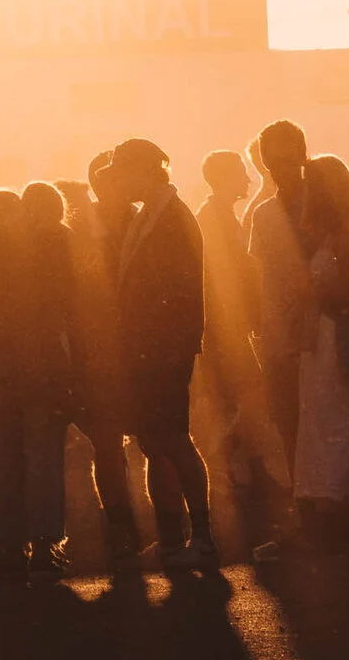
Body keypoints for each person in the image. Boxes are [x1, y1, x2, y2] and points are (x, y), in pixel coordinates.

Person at [112, 137, 216, 570]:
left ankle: (202, 536)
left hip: (162, 350)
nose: (117, 182)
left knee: (171, 439)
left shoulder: (170, 218)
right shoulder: (154, 214)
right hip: (149, 350)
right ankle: (172, 537)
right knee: (154, 442)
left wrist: (176, 348)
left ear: (142, 171)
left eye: (122, 173)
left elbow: (182, 291)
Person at [0, 186, 73, 580]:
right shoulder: (41, 254)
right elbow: (63, 308)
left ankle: (1, 548)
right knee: (42, 460)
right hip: (39, 372)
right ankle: (45, 547)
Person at [292, 155, 349, 549]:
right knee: (325, 418)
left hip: (337, 333)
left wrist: (311, 290)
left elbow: (348, 290)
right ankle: (330, 503)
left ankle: (331, 507)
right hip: (327, 333)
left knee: (331, 420)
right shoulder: (343, 231)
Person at [61, 169, 142, 567]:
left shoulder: (128, 227)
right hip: (100, 355)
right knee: (109, 445)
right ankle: (123, 528)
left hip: (107, 354)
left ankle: (125, 527)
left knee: (117, 445)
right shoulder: (112, 231)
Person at [196, 149, 276, 546]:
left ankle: (241, 462)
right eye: (240, 173)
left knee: (242, 396)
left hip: (227, 326)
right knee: (250, 393)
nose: (246, 179)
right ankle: (237, 462)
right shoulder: (215, 219)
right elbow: (225, 276)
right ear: (224, 178)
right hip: (224, 328)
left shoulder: (217, 216)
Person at [247, 120, 312, 502]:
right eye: (272, 162)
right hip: (279, 335)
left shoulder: (322, 206)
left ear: (302, 156)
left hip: (316, 333)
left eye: (286, 160)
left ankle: (323, 500)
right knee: (288, 421)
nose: (280, 169)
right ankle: (305, 499)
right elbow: (258, 275)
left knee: (317, 422)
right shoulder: (264, 213)